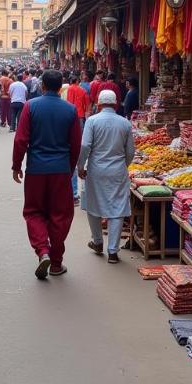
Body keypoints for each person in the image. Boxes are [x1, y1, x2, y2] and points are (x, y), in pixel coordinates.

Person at [12, 69, 82, 280]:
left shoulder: (30, 107)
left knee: (34, 212)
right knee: (60, 215)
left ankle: (43, 251)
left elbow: (21, 140)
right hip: (60, 170)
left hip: (36, 170)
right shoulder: (70, 110)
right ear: (61, 87)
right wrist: (69, 169)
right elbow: (76, 145)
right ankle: (56, 262)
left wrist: (17, 166)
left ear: (42, 86)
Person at [78, 90, 135, 264]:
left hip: (96, 169)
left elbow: (85, 145)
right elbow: (130, 152)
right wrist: (123, 165)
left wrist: (80, 166)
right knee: (117, 208)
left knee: (93, 204)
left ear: (99, 103)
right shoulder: (125, 123)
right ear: (116, 104)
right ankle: (112, 251)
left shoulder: (92, 121)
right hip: (117, 169)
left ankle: (97, 241)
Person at [66, 75, 91, 205]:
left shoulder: (68, 89)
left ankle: (71, 194)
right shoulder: (82, 90)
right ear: (78, 81)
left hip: (69, 115)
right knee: (78, 138)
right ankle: (74, 194)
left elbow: (69, 102)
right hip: (80, 116)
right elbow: (87, 105)